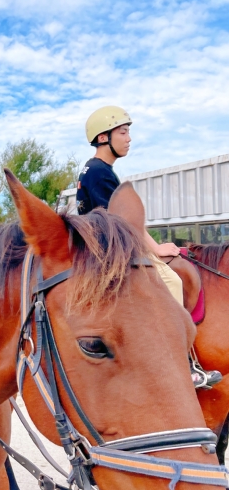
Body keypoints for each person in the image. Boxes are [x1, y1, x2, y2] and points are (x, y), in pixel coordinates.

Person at [77, 105, 221, 389]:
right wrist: (155, 248)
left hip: (104, 250)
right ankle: (179, 363)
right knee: (171, 281)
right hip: (111, 253)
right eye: (123, 132)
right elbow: (122, 223)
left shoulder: (93, 170)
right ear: (104, 137)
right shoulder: (100, 172)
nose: (129, 138)